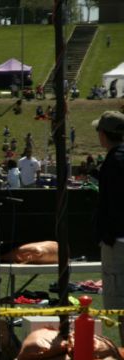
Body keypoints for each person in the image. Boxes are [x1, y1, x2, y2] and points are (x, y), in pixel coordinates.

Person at [92, 111, 124, 345]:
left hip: (119, 242)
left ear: (104, 135)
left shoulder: (112, 162)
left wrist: (106, 235)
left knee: (120, 308)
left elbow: (111, 203)